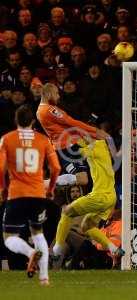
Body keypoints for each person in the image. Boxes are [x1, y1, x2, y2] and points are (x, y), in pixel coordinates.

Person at [0, 105, 61, 286]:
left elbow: (1, 168)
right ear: (33, 121)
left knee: (9, 237)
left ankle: (29, 253)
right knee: (38, 233)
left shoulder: (6, 139)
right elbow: (56, 168)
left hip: (17, 194)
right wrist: (50, 189)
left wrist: (3, 189)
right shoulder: (43, 140)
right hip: (37, 195)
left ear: (16, 120)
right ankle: (44, 278)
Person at [51, 131, 124, 268]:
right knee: (87, 226)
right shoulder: (102, 147)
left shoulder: (94, 148)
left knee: (66, 212)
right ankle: (113, 248)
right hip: (111, 197)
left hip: (100, 195)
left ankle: (57, 249)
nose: (83, 139)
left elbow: (73, 153)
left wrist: (59, 145)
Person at [36, 83, 109, 187]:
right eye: (56, 93)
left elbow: (70, 127)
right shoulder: (48, 110)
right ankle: (41, 184)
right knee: (83, 179)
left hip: (68, 147)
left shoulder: (44, 109)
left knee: (84, 178)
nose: (58, 96)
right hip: (67, 148)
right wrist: (95, 130)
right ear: (48, 93)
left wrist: (92, 134)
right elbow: (71, 122)